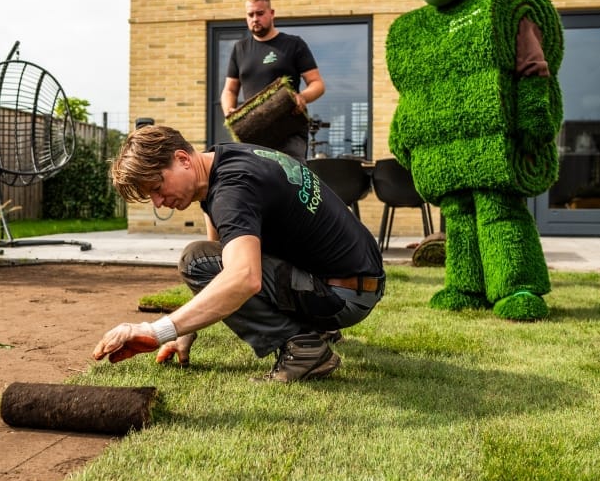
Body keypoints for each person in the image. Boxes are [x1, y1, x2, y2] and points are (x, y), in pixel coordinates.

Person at [386, 0, 564, 321]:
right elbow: (414, 88)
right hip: (448, 151)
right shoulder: (412, 30)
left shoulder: (503, 3)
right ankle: (465, 284)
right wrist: (404, 130)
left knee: (498, 209)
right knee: (459, 216)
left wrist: (536, 110)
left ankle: (516, 285)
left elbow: (532, 66)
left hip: (495, 144)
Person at [92, 125, 384, 382]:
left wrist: (157, 331)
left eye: (157, 187)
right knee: (211, 258)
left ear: (182, 159)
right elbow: (218, 268)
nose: (158, 202)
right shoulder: (223, 160)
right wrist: (185, 331)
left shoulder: (232, 191)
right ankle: (316, 328)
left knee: (195, 260)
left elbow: (241, 278)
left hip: (340, 296)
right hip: (354, 282)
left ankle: (303, 347)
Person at [221, 0, 325, 163]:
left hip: (290, 133)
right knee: (259, 185)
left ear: (271, 13)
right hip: (254, 134)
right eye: (250, 15)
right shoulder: (240, 49)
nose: (255, 18)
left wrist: (302, 97)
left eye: (260, 13)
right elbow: (230, 90)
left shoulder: (293, 44)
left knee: (291, 182)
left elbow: (317, 84)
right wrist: (229, 111)